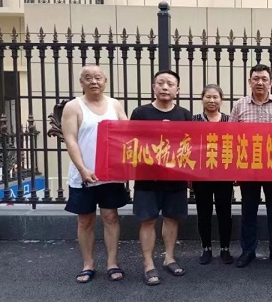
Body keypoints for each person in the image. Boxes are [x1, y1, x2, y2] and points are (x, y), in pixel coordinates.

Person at [61, 65, 128, 283]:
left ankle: (112, 262)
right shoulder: (73, 106)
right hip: (83, 174)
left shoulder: (114, 104)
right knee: (85, 220)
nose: (94, 81)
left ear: (105, 81)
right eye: (88, 78)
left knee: (111, 217)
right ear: (81, 82)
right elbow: (71, 140)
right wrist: (82, 169)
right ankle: (88, 264)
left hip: (110, 173)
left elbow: (128, 132)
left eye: (98, 77)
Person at [130, 70, 192, 286]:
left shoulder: (184, 114)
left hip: (175, 177)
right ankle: (148, 264)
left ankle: (169, 258)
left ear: (178, 90)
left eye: (170, 84)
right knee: (148, 220)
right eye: (161, 83)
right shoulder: (140, 113)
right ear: (153, 87)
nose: (165, 87)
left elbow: (191, 146)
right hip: (147, 177)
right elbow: (131, 143)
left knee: (171, 218)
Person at [229, 64, 272, 268]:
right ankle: (248, 250)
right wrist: (235, 168)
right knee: (248, 211)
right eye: (256, 79)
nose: (260, 82)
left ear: (271, 82)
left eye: (264, 79)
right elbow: (231, 137)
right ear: (249, 82)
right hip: (248, 167)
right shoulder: (240, 105)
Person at [192, 84, 234, 265]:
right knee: (204, 212)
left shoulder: (229, 120)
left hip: (224, 174)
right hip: (201, 175)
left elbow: (236, 146)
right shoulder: (193, 120)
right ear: (202, 99)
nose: (211, 100)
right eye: (208, 97)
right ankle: (206, 248)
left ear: (221, 100)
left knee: (225, 212)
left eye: (215, 97)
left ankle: (225, 248)